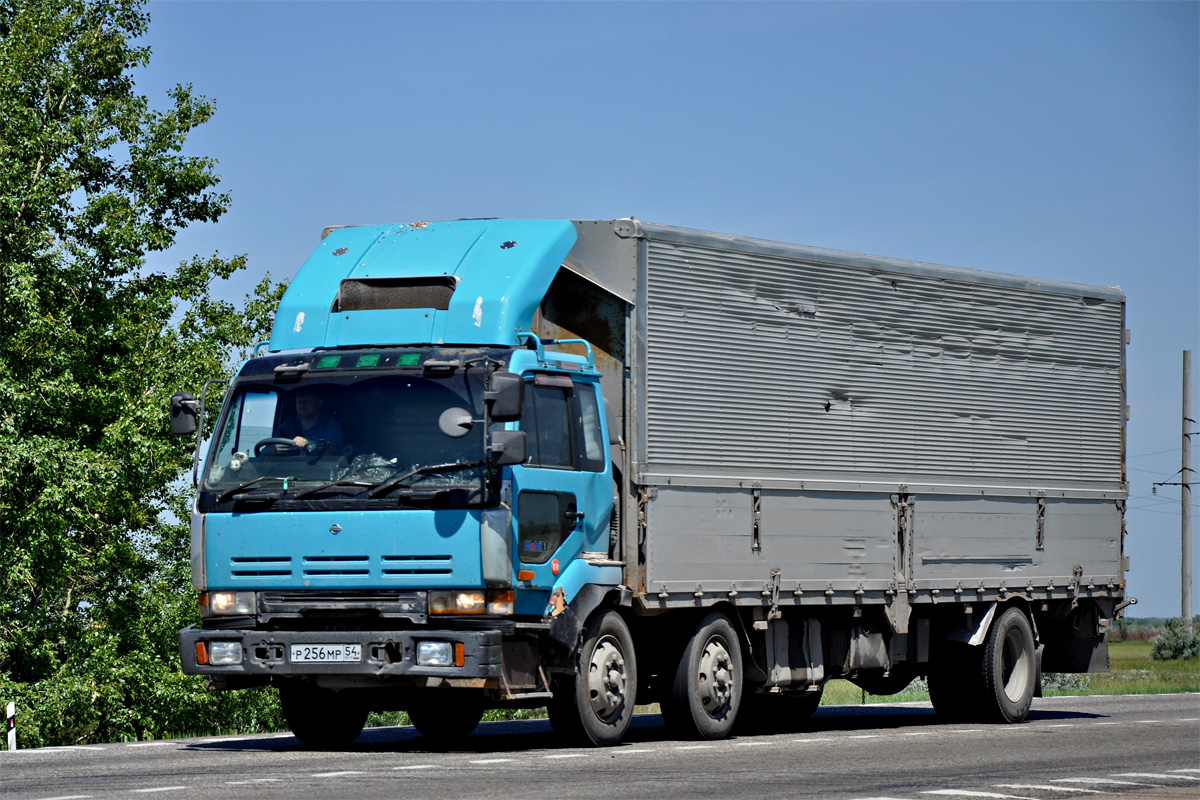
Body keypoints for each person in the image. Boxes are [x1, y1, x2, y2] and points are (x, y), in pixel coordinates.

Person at [274, 387, 343, 454]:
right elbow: (267, 449)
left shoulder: (331, 426)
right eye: (298, 401)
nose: (301, 405)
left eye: (307, 401)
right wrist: (273, 450)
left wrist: (309, 444)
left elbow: (332, 450)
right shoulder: (286, 427)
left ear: (320, 403)